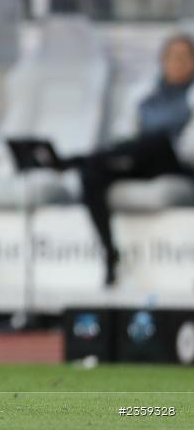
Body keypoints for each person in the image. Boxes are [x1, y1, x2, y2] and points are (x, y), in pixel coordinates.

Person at [69, 35, 194, 285]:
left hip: (179, 163)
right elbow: (123, 134)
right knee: (91, 174)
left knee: (156, 141)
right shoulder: (144, 94)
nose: (176, 63)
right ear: (162, 61)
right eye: (171, 57)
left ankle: (78, 159)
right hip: (140, 160)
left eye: (183, 57)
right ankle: (109, 253)